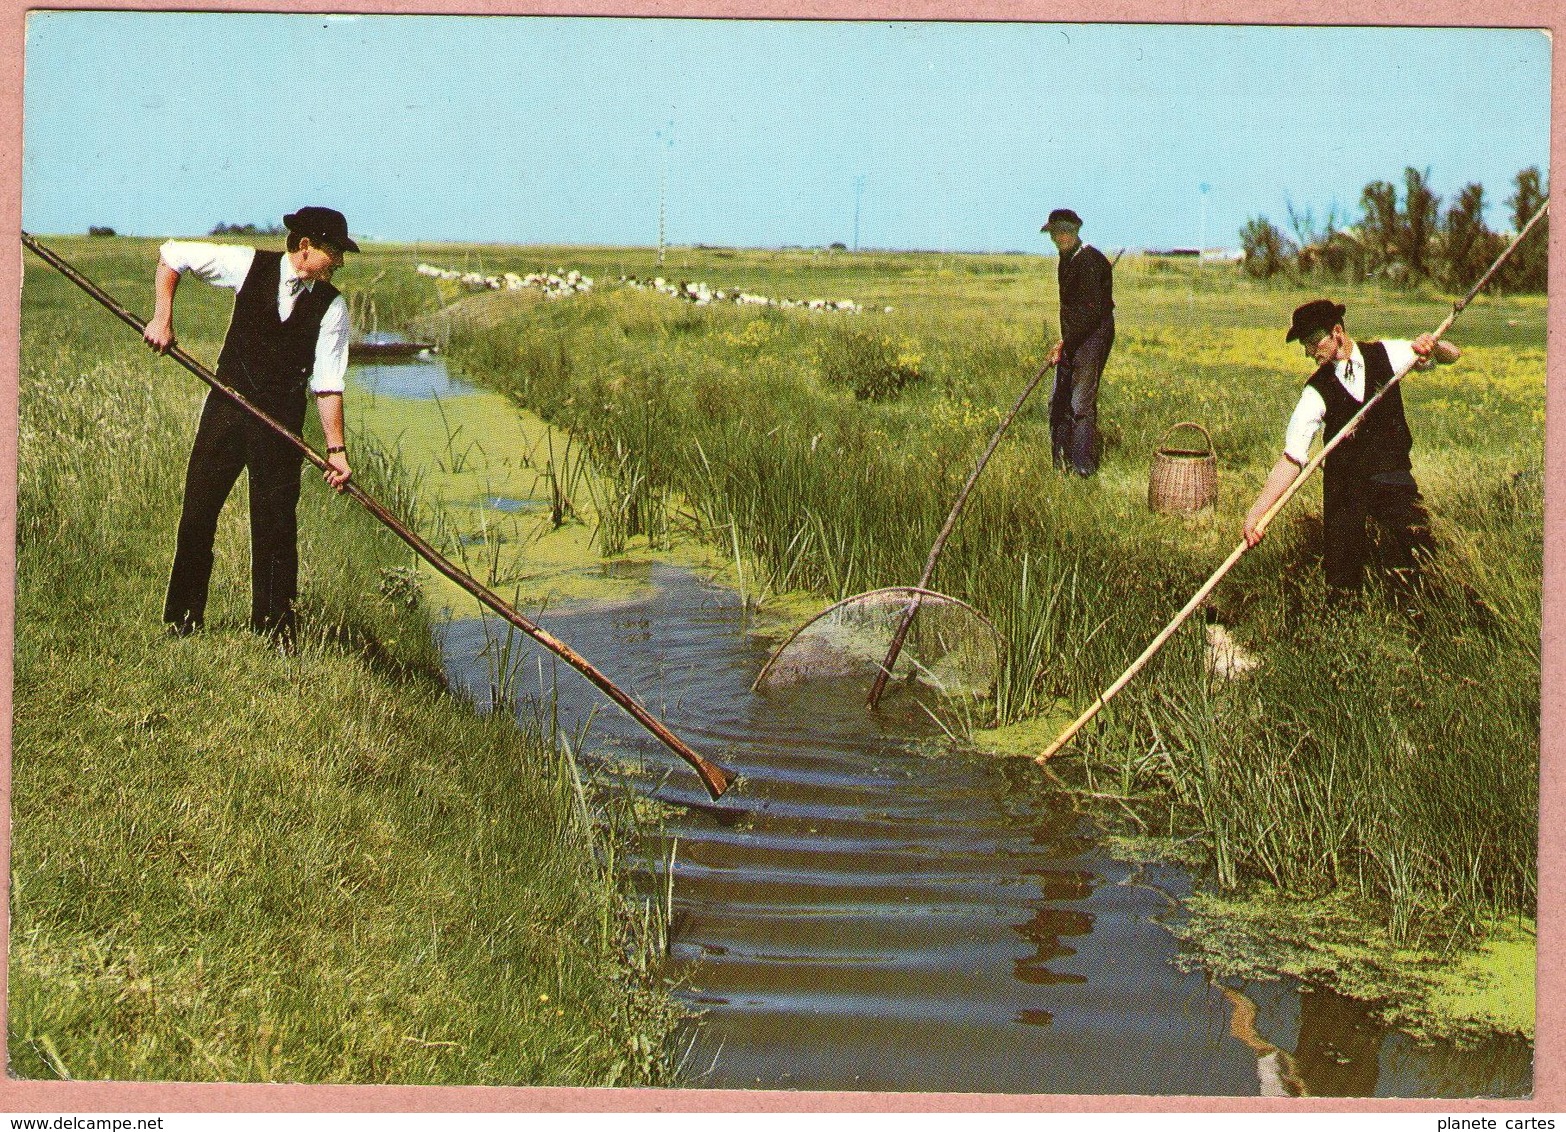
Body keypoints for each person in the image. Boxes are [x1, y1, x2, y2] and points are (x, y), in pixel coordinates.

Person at [142, 207, 359, 642]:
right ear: (305, 247)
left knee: (276, 524)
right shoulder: (247, 264)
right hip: (226, 410)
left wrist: (336, 451)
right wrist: (162, 318)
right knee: (199, 511)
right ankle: (183, 621)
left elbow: (328, 384)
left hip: (281, 425)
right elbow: (172, 256)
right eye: (334, 252)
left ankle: (274, 630)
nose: (339, 263)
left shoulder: (332, 306)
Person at [1243, 299, 1460, 598]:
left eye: (1312, 342)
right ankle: (1347, 624)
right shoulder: (1315, 391)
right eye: (1304, 345)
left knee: (1416, 556)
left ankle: (1417, 614)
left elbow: (1453, 355)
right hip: (1345, 487)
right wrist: (1257, 513)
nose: (1308, 352)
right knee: (1342, 581)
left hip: (1391, 476)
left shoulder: (1386, 353)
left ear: (1336, 332)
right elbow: (1292, 458)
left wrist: (1432, 346)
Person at [1042, 208, 1116, 476]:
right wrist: (1065, 340)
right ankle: (1060, 461)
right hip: (1075, 334)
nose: (1059, 237)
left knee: (1080, 403)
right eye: (1055, 232)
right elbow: (1071, 309)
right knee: (1057, 400)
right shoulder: (1066, 258)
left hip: (1094, 334)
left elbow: (1091, 313)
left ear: (1075, 231)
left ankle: (1082, 467)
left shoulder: (1088, 260)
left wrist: (1064, 343)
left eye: (1065, 231)